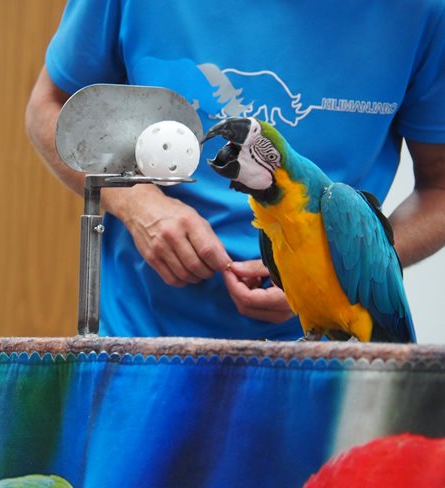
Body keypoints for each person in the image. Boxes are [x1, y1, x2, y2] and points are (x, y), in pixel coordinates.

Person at [26, 0, 445, 339]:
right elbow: (51, 107)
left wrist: (343, 268)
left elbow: (439, 190)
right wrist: (139, 205)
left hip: (331, 359)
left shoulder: (424, 11)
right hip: (142, 342)